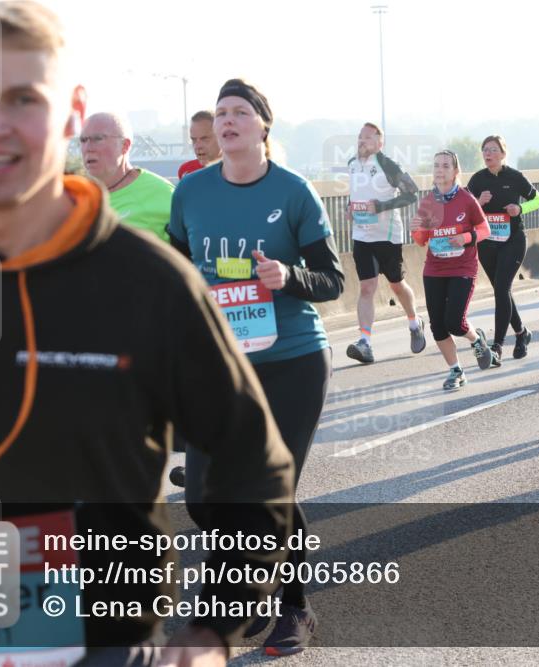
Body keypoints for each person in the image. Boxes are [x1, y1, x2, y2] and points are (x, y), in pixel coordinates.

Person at [0, 5, 295, 667]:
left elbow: (254, 461)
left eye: (23, 98)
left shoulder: (150, 283)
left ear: (70, 111)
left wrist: (215, 629)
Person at [168, 78, 344, 657]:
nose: (227, 120)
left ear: (263, 125)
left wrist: (287, 277)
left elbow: (332, 280)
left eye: (239, 111)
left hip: (291, 361)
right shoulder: (190, 193)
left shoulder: (293, 192)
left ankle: (290, 606)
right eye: (220, 113)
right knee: (202, 494)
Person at [410, 150, 493, 389]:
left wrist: (466, 237)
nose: (440, 170)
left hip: (462, 266)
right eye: (436, 165)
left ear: (456, 172)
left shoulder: (467, 200)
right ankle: (456, 370)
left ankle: (476, 340)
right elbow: (421, 240)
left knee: (455, 322)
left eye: (446, 166)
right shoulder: (427, 202)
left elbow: (485, 230)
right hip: (435, 268)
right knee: (437, 325)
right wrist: (416, 229)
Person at [344, 122, 424, 364]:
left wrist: (381, 207)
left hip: (388, 236)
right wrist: (351, 209)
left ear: (380, 143)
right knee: (367, 287)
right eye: (360, 137)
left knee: (396, 284)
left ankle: (414, 321)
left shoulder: (388, 165)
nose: (361, 141)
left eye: (367, 138)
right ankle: (365, 343)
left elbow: (412, 193)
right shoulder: (352, 164)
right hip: (362, 235)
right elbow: (357, 193)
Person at [466, 135, 539, 363]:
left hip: (513, 240)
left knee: (501, 288)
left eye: (493, 149)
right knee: (503, 291)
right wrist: (478, 202)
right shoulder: (477, 180)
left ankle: (497, 345)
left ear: (503, 153)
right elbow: (464, 210)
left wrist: (519, 208)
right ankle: (522, 333)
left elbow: (538, 200)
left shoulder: (515, 177)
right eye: (485, 150)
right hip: (487, 242)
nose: (488, 154)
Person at [82, 111, 174, 242]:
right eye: (83, 140)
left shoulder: (161, 192)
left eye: (98, 139)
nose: (88, 148)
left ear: (125, 146)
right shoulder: (73, 197)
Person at [177, 110, 221, 179]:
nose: (197, 146)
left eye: (204, 139)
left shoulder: (239, 171)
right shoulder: (186, 171)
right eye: (194, 140)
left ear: (222, 137)